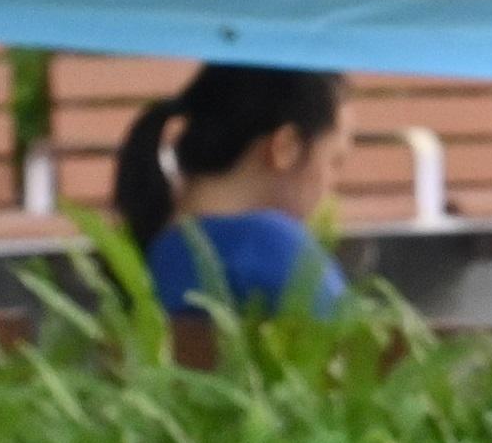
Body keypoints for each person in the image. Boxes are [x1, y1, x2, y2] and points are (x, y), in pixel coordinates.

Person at [114, 62, 353, 323]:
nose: (333, 184)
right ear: (286, 148)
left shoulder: (149, 250)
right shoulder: (276, 248)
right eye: (334, 161)